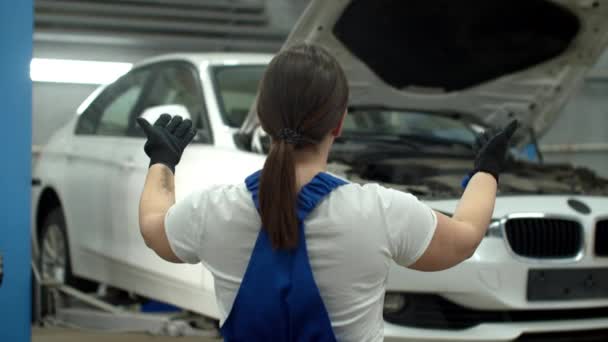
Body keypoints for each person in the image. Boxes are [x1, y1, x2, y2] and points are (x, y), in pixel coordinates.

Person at [136, 44, 518, 341]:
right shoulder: (380, 210)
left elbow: (155, 229)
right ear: (338, 123)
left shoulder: (210, 210)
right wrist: (486, 170)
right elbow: (465, 237)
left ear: (263, 119)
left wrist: (162, 161)